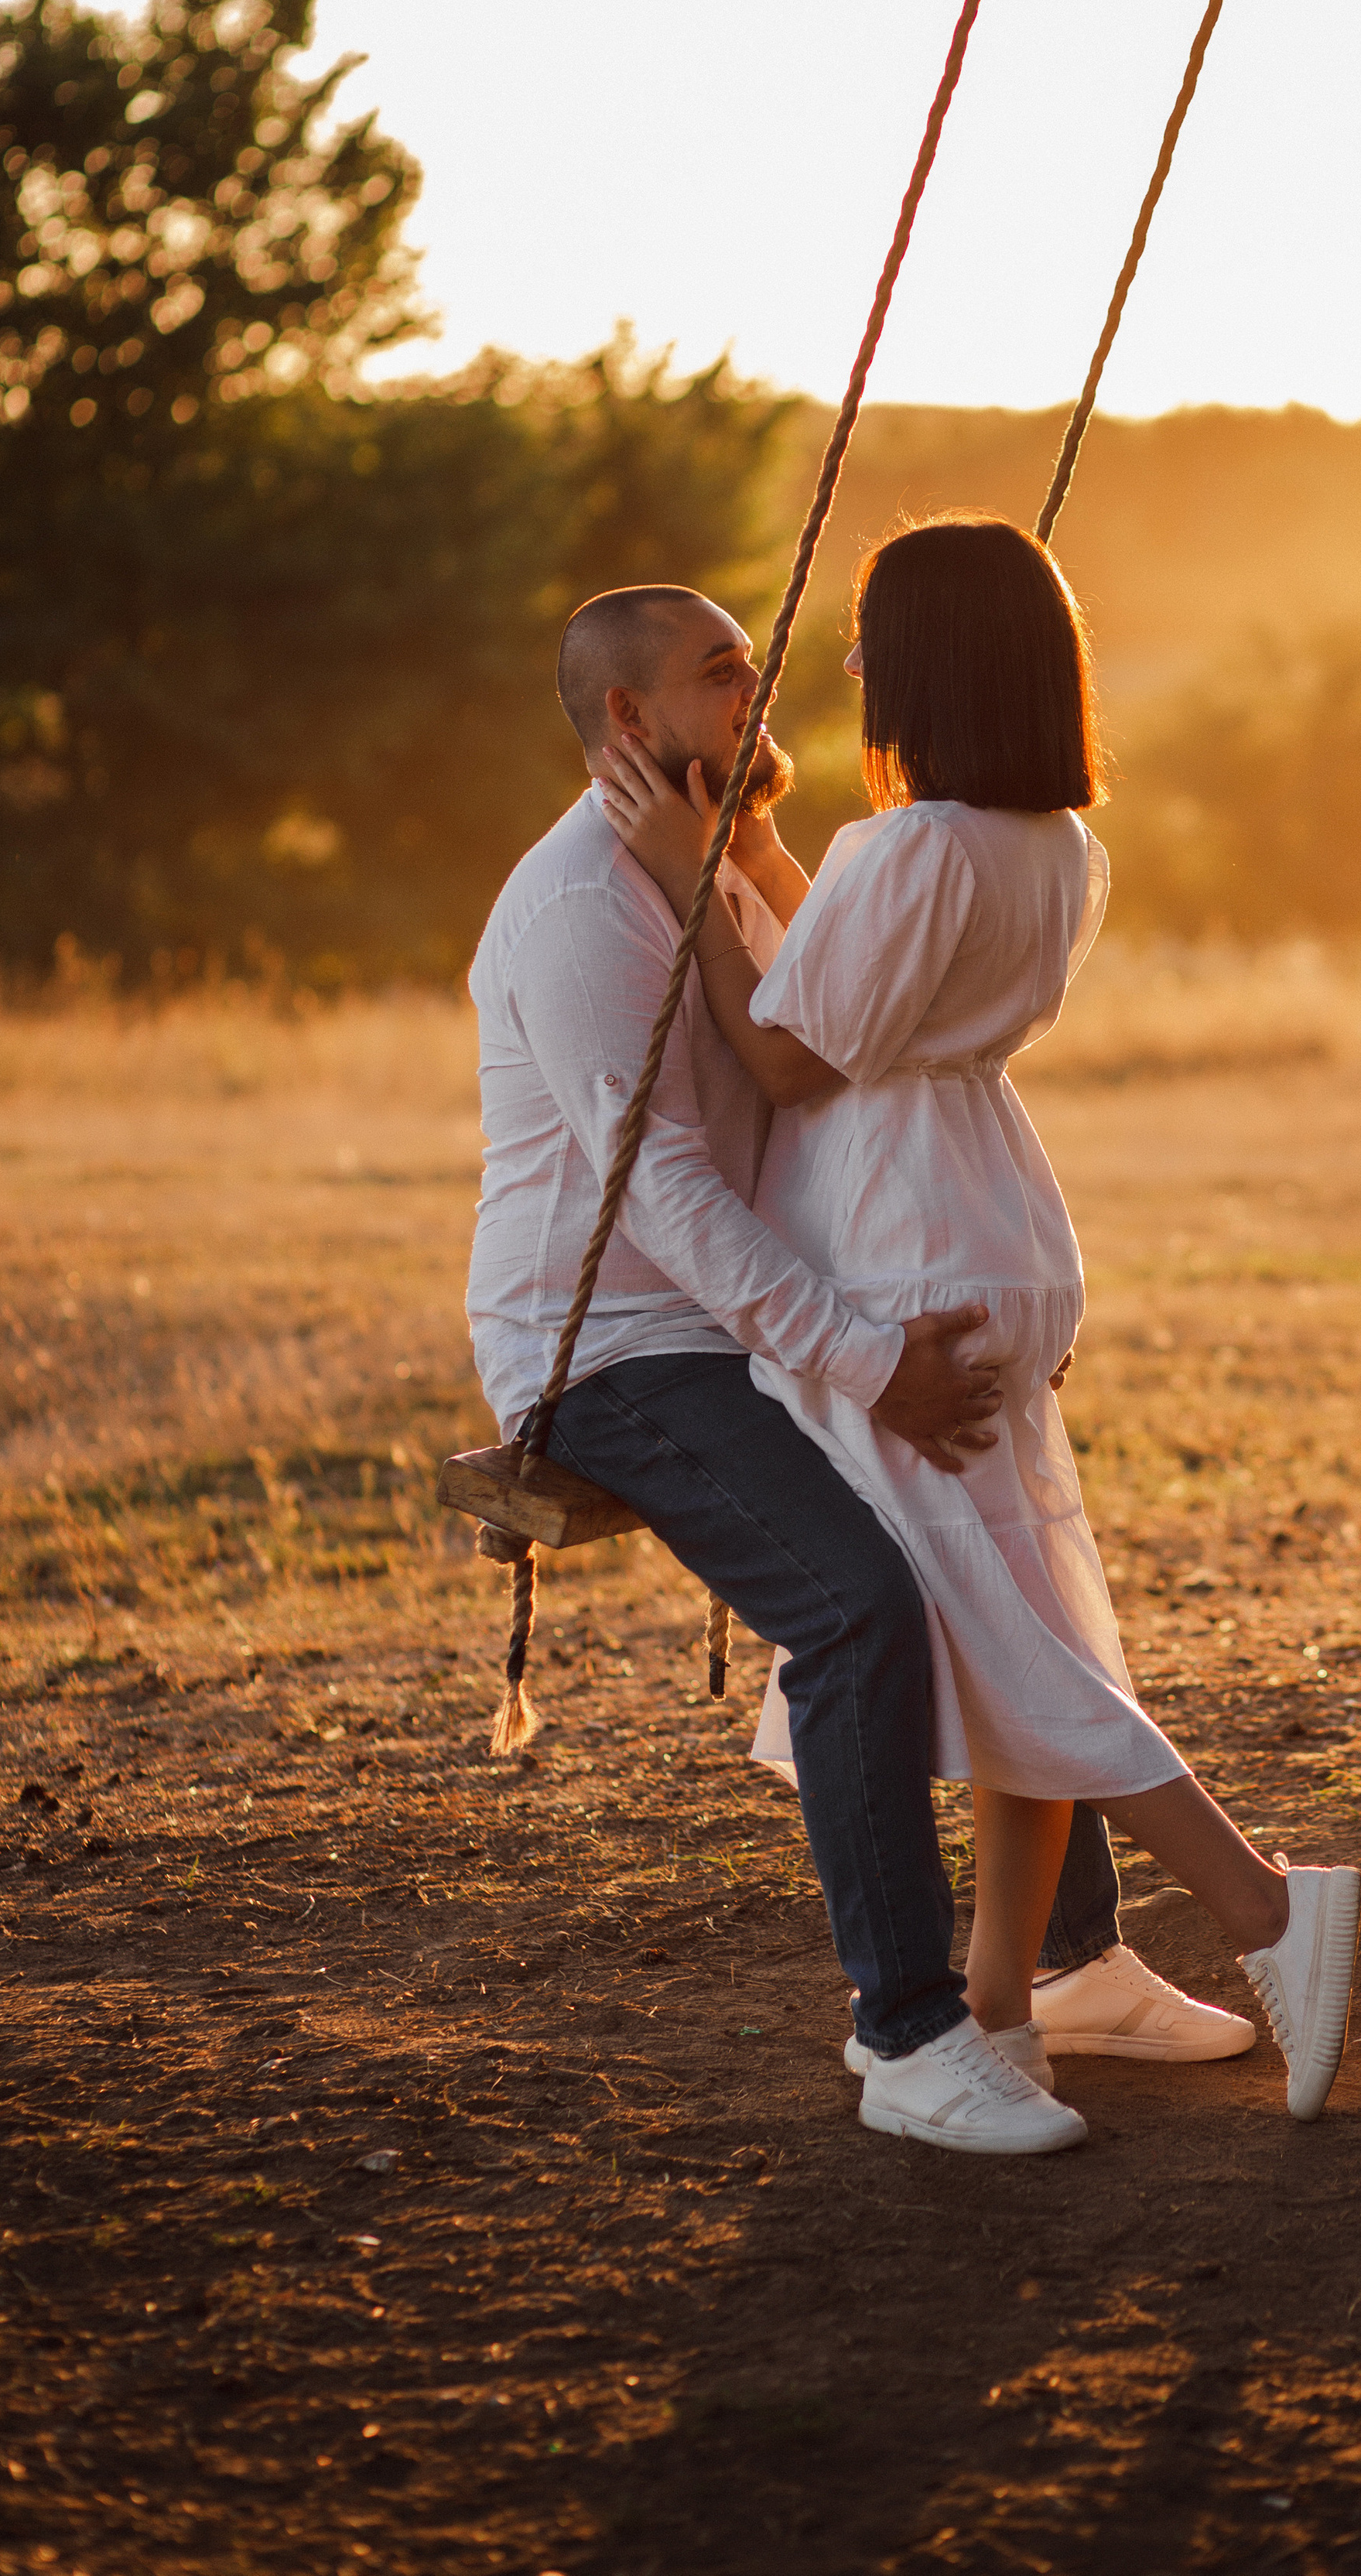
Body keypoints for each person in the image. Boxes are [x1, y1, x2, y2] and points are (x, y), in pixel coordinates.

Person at [594, 518, 1361, 2128]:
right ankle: (1005, 2008)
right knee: (1024, 1618)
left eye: (870, 640)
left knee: (1002, 1642)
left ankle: (1264, 1904)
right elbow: (873, 975)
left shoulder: (909, 849)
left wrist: (688, 879)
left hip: (895, 1245)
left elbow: (794, 1052)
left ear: (932, 663)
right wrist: (759, 856)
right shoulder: (1051, 846)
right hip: (992, 1221)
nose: (849, 665)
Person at [465, 576, 1249, 2159]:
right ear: (628, 716)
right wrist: (869, 1358)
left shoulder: (714, 865)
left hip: (761, 1310)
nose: (758, 695)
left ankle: (1071, 1966)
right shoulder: (584, 908)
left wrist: (947, 1290)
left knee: (996, 1550)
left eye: (755, 665)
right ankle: (908, 2035)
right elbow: (667, 1195)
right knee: (861, 1607)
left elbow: (844, 1047)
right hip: (619, 1347)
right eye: (719, 676)